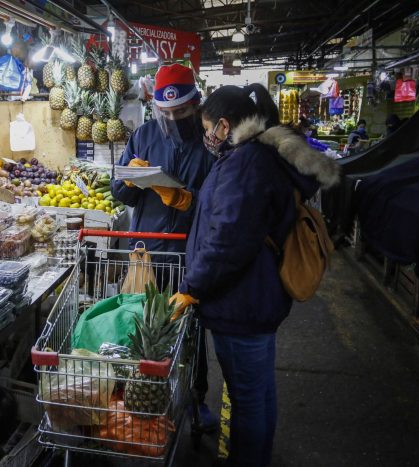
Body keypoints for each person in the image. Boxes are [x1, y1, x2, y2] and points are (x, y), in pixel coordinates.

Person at [169, 83, 340, 466]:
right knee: (258, 392)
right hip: (256, 296)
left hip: (241, 303)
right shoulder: (261, 155)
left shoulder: (245, 162)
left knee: (247, 398)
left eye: (208, 128)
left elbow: (229, 238)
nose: (207, 137)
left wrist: (192, 287)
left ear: (225, 126)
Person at [110, 63, 216, 430]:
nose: (172, 118)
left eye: (182, 112)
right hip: (148, 252)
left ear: (196, 105)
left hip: (190, 254)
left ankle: (196, 398)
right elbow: (118, 190)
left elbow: (221, 202)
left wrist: (190, 200)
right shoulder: (143, 135)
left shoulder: (209, 143)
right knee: (143, 329)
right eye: (165, 112)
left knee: (192, 332)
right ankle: (142, 395)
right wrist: (131, 178)